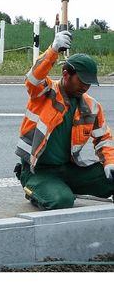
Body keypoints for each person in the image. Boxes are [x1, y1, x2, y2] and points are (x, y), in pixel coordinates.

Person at [15, 30, 114, 209]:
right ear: (66, 74)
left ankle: (61, 188)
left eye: (89, 82)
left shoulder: (91, 107)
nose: (85, 86)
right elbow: (33, 79)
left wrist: (109, 162)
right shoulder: (44, 92)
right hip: (37, 171)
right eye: (81, 81)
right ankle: (35, 189)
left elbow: (103, 139)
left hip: (68, 169)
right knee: (61, 201)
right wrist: (53, 50)